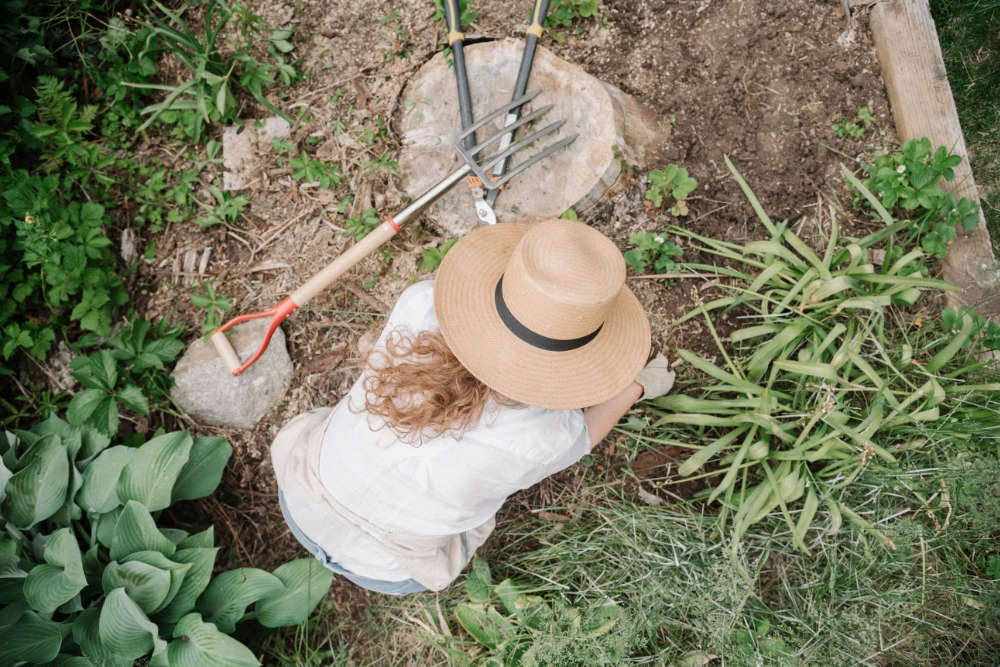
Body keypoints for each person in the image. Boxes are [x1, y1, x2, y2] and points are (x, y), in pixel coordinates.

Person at [270, 218, 675, 594]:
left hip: (301, 491)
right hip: (390, 567)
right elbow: (586, 434)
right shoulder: (544, 433)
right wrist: (635, 386)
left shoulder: (421, 305)